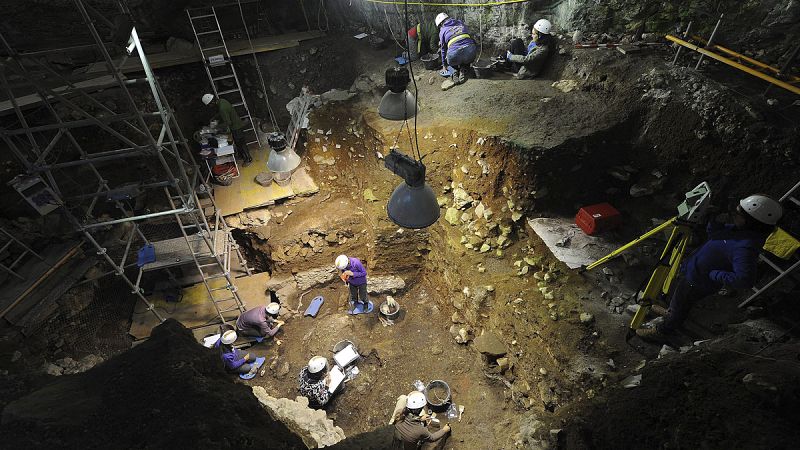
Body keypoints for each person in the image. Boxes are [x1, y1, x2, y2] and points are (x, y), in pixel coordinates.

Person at [637, 194, 783, 342]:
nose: (733, 215)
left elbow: (745, 280)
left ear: (750, 221)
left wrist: (714, 274)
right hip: (694, 272)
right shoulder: (738, 231)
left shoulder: (745, 247)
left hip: (698, 282)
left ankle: (663, 330)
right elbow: (715, 235)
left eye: (738, 214)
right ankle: (670, 312)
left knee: (681, 303)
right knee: (678, 298)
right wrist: (715, 221)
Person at [202, 93, 253, 166]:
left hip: (236, 127)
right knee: (239, 143)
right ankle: (243, 156)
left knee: (241, 143)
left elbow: (228, 122)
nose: (210, 106)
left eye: (210, 105)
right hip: (237, 123)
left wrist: (216, 128)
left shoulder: (222, 108)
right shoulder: (222, 101)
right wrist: (214, 117)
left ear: (212, 102)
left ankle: (248, 159)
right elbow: (222, 112)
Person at [435, 12, 477, 85]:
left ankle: (453, 71)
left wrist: (444, 65)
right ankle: (463, 69)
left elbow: (443, 49)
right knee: (466, 59)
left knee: (449, 63)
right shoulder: (460, 22)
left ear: (441, 23)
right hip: (470, 51)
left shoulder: (442, 30)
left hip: (454, 54)